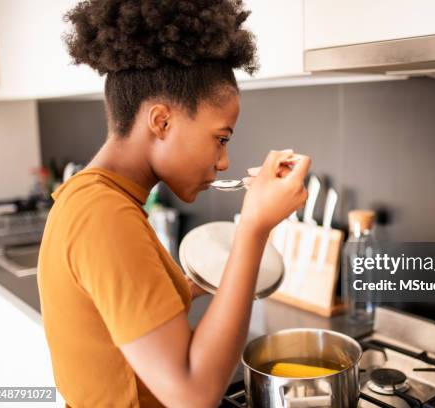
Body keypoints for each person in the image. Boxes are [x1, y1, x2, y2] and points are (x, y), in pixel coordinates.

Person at [36, 1, 310, 406]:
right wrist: (253, 228)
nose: (223, 161)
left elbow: (126, 312)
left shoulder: (99, 197)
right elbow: (193, 394)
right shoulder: (102, 214)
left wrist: (199, 282)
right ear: (161, 121)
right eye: (221, 138)